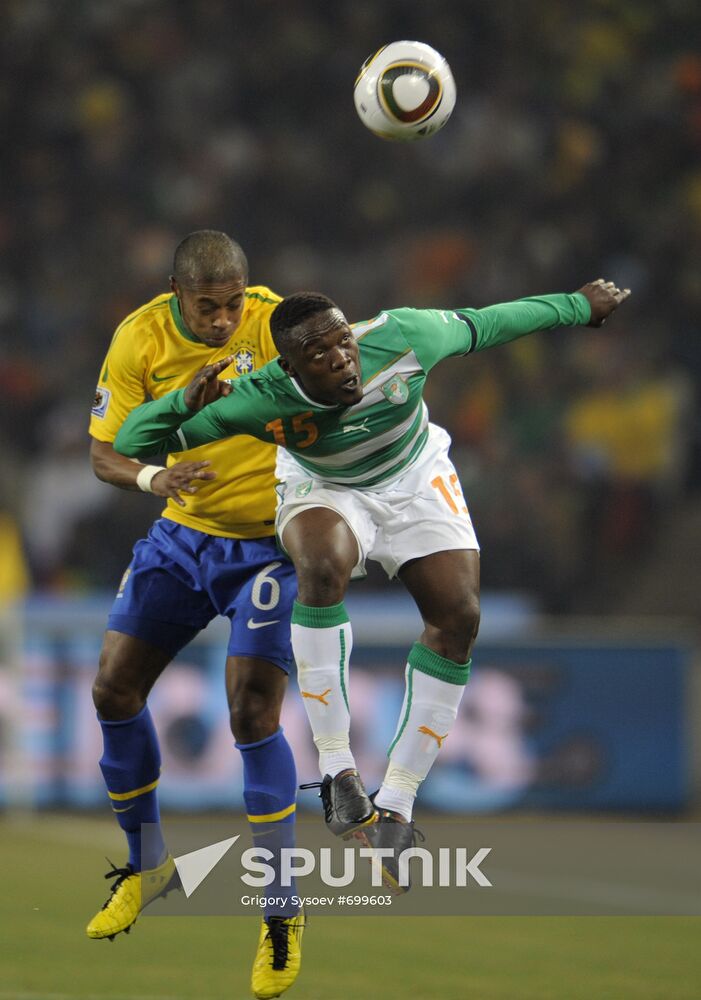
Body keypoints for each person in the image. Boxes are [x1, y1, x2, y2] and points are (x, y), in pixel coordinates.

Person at [113, 278, 631, 893]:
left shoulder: (403, 335)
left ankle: (398, 807)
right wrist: (181, 402)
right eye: (321, 355)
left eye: (343, 344)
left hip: (413, 476)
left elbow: (490, 321)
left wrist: (578, 306)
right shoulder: (256, 399)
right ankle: (337, 772)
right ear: (290, 367)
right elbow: (131, 442)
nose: (341, 359)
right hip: (324, 487)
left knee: (459, 619)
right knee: (321, 568)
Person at [87, 230, 303, 1000]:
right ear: (177, 295)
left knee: (250, 712)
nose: (222, 320)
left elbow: (347, 377)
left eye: (232, 304)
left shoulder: (280, 322)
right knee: (113, 690)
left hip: (271, 546)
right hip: (183, 537)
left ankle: (281, 914)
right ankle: (147, 868)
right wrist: (156, 475)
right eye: (207, 307)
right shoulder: (139, 338)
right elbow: (104, 453)